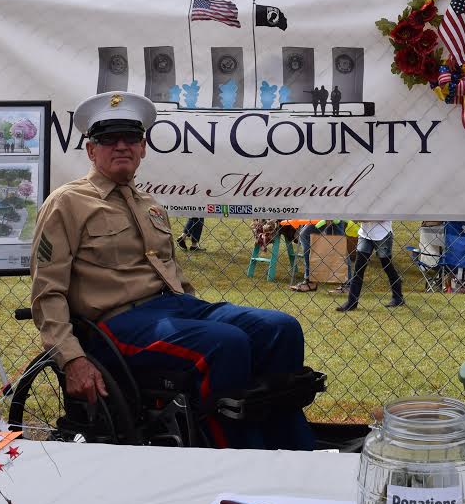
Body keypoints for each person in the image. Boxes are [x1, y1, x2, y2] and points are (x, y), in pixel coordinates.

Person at [30, 91, 313, 450]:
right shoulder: (67, 202)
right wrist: (72, 359)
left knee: (281, 329)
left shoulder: (151, 205)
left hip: (173, 307)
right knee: (226, 345)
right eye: (108, 139)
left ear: (143, 147)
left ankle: (293, 451)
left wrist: (197, 314)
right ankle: (238, 457)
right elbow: (47, 292)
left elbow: (171, 275)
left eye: (130, 137)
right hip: (115, 325)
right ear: (90, 150)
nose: (121, 146)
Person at [335, 221, 403, 312]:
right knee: (358, 269)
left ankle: (397, 297)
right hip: (365, 235)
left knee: (387, 266)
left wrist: (362, 218)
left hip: (382, 235)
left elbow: (381, 216)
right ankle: (351, 302)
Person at [291, 219, 345, 292]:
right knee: (338, 242)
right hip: (324, 212)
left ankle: (310, 281)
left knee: (338, 244)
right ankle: (310, 280)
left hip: (332, 212)